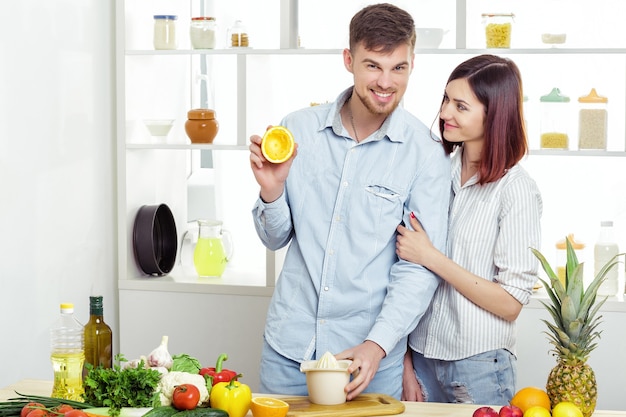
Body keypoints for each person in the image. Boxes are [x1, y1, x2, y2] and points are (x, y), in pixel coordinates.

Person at [248, 3, 451, 400]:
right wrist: (271, 191)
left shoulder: (425, 153)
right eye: (373, 65)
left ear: (413, 64)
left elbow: (418, 269)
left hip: (367, 361)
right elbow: (275, 240)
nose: (386, 82)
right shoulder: (297, 129)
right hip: (288, 351)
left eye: (399, 68)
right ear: (349, 60)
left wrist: (377, 346)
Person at [396, 54, 543, 405]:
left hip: (478, 366)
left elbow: (510, 303)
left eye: (461, 106)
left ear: (494, 115)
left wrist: (431, 257)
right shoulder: (434, 172)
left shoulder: (515, 189)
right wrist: (403, 363)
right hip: (420, 358)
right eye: (446, 99)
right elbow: (400, 269)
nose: (445, 113)